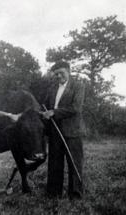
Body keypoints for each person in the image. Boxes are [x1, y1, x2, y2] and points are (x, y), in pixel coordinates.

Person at [41, 61, 85, 200]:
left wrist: (54, 112)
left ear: (69, 71)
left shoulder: (78, 86)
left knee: (74, 163)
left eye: (61, 73)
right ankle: (53, 193)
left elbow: (75, 108)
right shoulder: (52, 88)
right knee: (54, 163)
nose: (59, 76)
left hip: (72, 132)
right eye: (56, 74)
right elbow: (45, 105)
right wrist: (44, 112)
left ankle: (75, 194)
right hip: (55, 132)